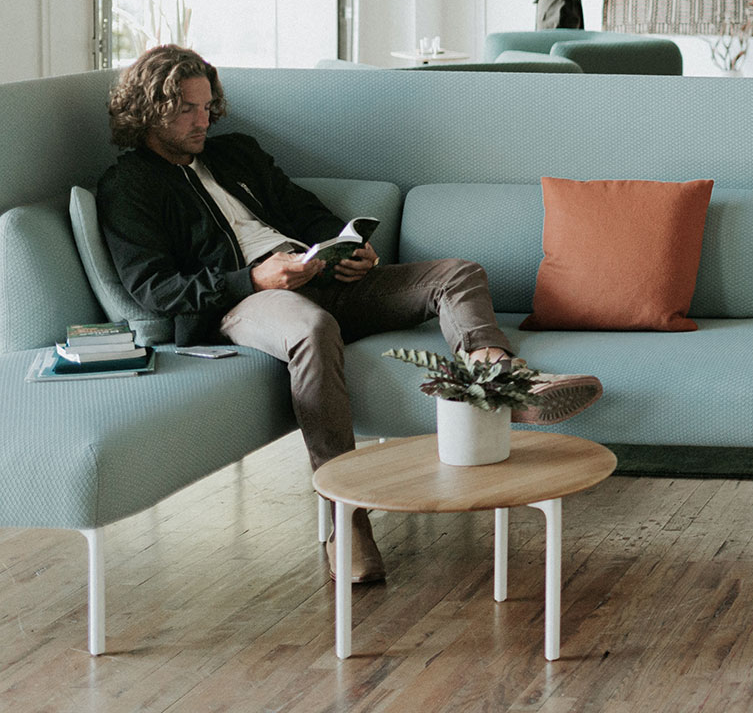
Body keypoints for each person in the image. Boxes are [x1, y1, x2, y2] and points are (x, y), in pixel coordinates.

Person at [95, 45, 602, 585]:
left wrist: (346, 246)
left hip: (316, 276)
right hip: (243, 302)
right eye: (186, 111)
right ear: (149, 112)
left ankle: (501, 378)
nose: (204, 120)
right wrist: (253, 279)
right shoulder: (128, 186)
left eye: (206, 106)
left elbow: (302, 210)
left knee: (457, 274)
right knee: (313, 329)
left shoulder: (236, 153)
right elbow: (154, 288)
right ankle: (347, 518)